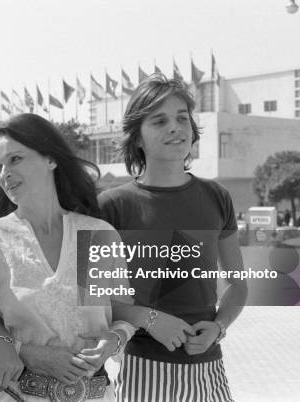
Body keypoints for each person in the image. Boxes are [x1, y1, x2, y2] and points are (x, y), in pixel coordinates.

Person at [0, 114, 136, 401]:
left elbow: (123, 316)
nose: (5, 174)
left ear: (51, 159)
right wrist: (27, 353)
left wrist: (113, 341)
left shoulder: (97, 234)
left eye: (15, 159)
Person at [98, 74, 248, 402]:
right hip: (139, 368)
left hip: (207, 369)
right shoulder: (110, 206)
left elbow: (238, 285)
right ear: (137, 137)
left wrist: (219, 327)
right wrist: (149, 319)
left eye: (183, 118)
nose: (175, 127)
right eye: (160, 120)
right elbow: (91, 296)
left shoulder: (217, 196)